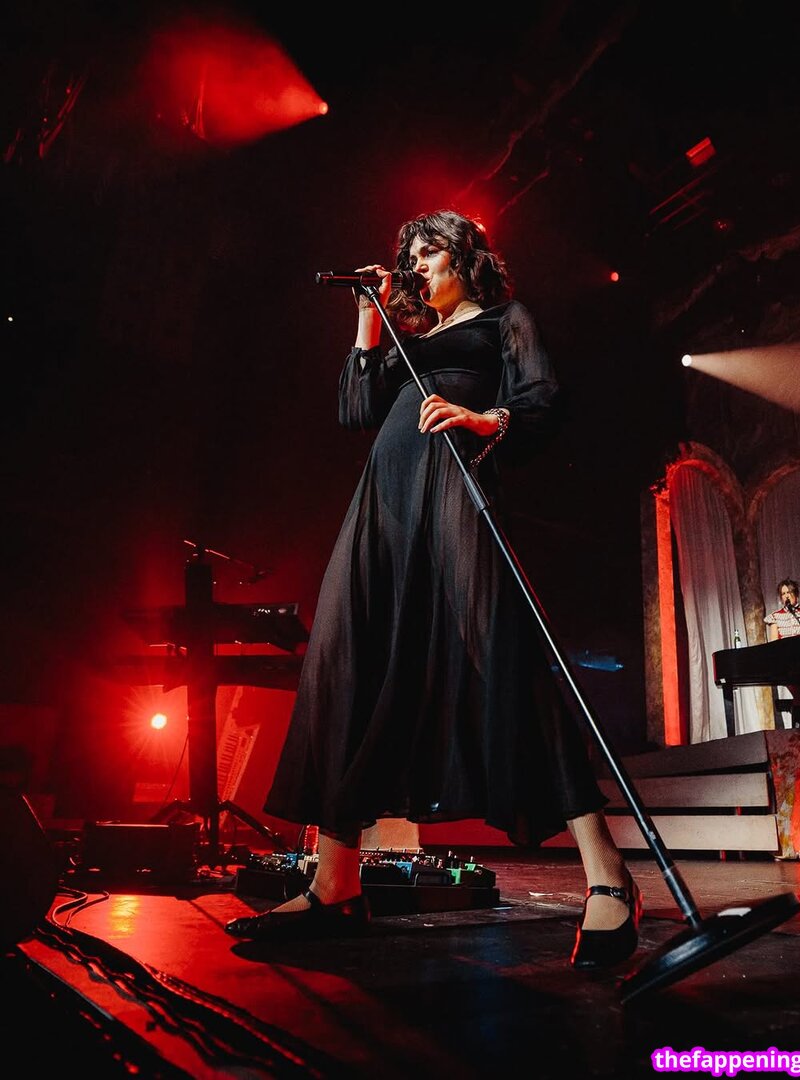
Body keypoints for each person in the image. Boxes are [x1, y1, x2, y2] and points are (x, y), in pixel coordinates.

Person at [225, 209, 641, 968]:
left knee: (504, 654)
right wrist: (368, 317)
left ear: (466, 257)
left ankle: (608, 875)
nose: (416, 265)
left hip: (452, 491)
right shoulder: (409, 342)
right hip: (383, 503)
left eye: (429, 253)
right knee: (346, 661)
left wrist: (485, 420)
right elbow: (356, 409)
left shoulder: (506, 320)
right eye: (408, 257)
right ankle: (334, 884)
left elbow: (544, 398)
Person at [764, 578, 800, 727]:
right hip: (788, 666)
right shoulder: (775, 617)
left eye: (789, 592)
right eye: (783, 593)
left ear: (796, 594)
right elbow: (774, 645)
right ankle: (799, 730)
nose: (786, 596)